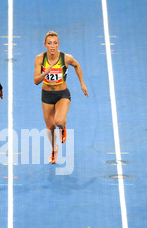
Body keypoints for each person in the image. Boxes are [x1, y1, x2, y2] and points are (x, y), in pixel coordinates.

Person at [34, 31, 88, 164]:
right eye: (49, 43)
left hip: (62, 93)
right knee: (50, 127)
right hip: (46, 95)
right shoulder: (40, 59)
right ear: (45, 44)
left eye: (55, 43)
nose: (52, 46)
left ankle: (63, 126)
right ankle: (54, 149)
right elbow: (35, 81)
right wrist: (44, 74)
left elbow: (77, 65)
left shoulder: (66, 58)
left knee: (58, 121)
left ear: (58, 44)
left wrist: (82, 84)